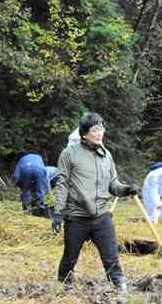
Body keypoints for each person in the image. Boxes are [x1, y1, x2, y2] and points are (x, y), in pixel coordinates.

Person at [52, 112, 139, 293]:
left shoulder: (106, 155)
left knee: (111, 256)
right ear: (84, 133)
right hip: (77, 216)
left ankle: (120, 286)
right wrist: (58, 212)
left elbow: (113, 185)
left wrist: (126, 189)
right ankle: (63, 284)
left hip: (101, 215)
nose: (100, 133)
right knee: (70, 257)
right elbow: (62, 184)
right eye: (95, 130)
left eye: (101, 129)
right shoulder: (69, 154)